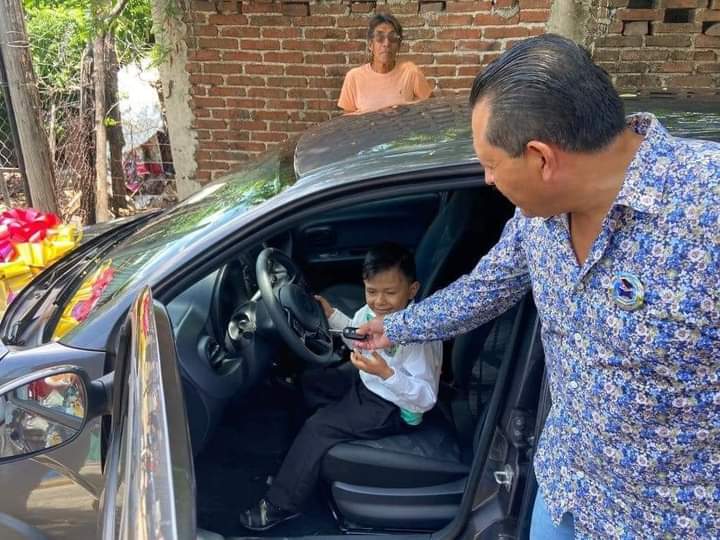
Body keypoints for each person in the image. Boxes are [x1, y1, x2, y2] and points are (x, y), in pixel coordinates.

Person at [355, 34, 720, 539]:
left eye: (490, 165)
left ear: (541, 159)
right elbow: (483, 290)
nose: (485, 180)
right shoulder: (537, 221)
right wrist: (393, 327)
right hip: (564, 489)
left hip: (669, 522)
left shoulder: (707, 208)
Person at [239, 242, 443, 531]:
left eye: (390, 292)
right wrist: (332, 315)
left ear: (412, 291)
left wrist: (386, 373)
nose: (380, 301)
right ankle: (296, 468)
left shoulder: (420, 334)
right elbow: (356, 338)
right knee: (309, 382)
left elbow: (425, 399)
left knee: (319, 427)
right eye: (372, 291)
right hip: (368, 382)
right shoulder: (369, 314)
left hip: (392, 406)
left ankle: (281, 504)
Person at [337, 13, 432, 114]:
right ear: (370, 45)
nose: (386, 43)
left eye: (392, 38)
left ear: (399, 45)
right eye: (379, 37)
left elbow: (432, 108)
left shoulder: (410, 72)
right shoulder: (354, 77)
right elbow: (347, 122)